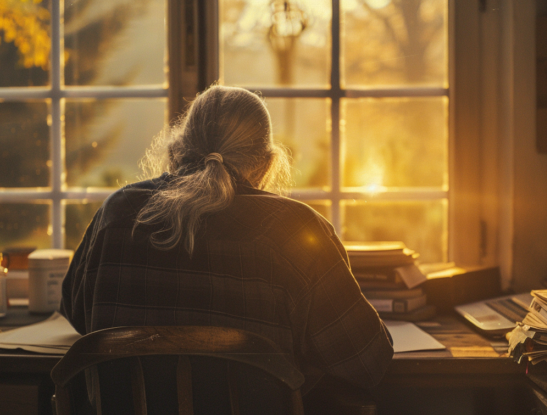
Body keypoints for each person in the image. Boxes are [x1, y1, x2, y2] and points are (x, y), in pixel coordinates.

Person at [60, 84, 393, 398]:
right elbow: (366, 363)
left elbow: (76, 314)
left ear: (177, 150)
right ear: (266, 164)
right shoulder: (296, 231)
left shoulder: (117, 213)